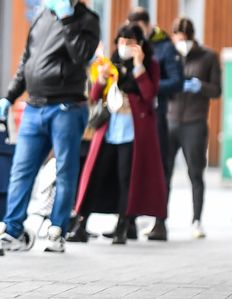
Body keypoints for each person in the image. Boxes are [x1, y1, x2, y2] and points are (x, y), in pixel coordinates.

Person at [0, 0, 100, 253]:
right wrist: (10, 96)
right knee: (21, 169)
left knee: (64, 170)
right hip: (35, 106)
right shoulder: (41, 15)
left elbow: (82, 55)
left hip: (66, 108)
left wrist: (67, 19)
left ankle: (58, 229)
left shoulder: (87, 20)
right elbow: (28, 59)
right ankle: (12, 229)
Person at [71, 25, 167, 244]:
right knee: (95, 174)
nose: (124, 47)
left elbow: (149, 94)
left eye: (130, 42)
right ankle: (81, 224)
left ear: (140, 44)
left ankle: (123, 225)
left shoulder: (149, 64)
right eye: (121, 41)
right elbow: (95, 95)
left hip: (134, 130)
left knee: (127, 178)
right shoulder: (109, 63)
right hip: (109, 128)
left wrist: (139, 66)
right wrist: (103, 79)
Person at [126, 7, 183, 240]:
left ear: (148, 25)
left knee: (160, 168)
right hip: (130, 115)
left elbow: (177, 82)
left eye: (138, 29)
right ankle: (127, 219)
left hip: (156, 114)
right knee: (129, 166)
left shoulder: (166, 47)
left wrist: (148, 86)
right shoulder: (131, 47)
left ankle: (160, 221)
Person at [165, 17, 221, 239]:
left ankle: (196, 220)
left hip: (195, 121)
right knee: (165, 171)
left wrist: (201, 86)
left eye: (185, 39)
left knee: (195, 172)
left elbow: (217, 89)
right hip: (171, 119)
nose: (182, 42)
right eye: (178, 38)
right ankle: (161, 219)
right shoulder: (170, 54)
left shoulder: (208, 57)